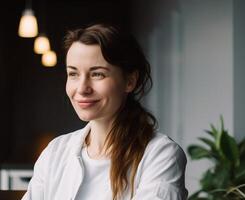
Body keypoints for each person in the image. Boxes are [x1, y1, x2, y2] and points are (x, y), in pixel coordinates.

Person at [22, 24, 188, 200]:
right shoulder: (55, 151)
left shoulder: (161, 155)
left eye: (97, 74)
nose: (82, 88)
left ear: (130, 81)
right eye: (73, 74)